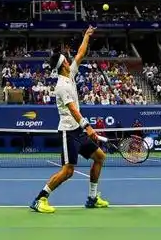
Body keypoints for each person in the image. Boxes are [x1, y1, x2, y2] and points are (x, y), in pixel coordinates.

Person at [31, 26, 109, 214]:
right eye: (67, 59)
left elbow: (81, 53)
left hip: (78, 130)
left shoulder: (70, 74)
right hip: (68, 131)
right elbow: (73, 110)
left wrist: (86, 36)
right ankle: (40, 199)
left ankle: (92, 197)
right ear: (64, 64)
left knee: (100, 157)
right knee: (68, 171)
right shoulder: (61, 86)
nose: (69, 59)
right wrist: (88, 127)